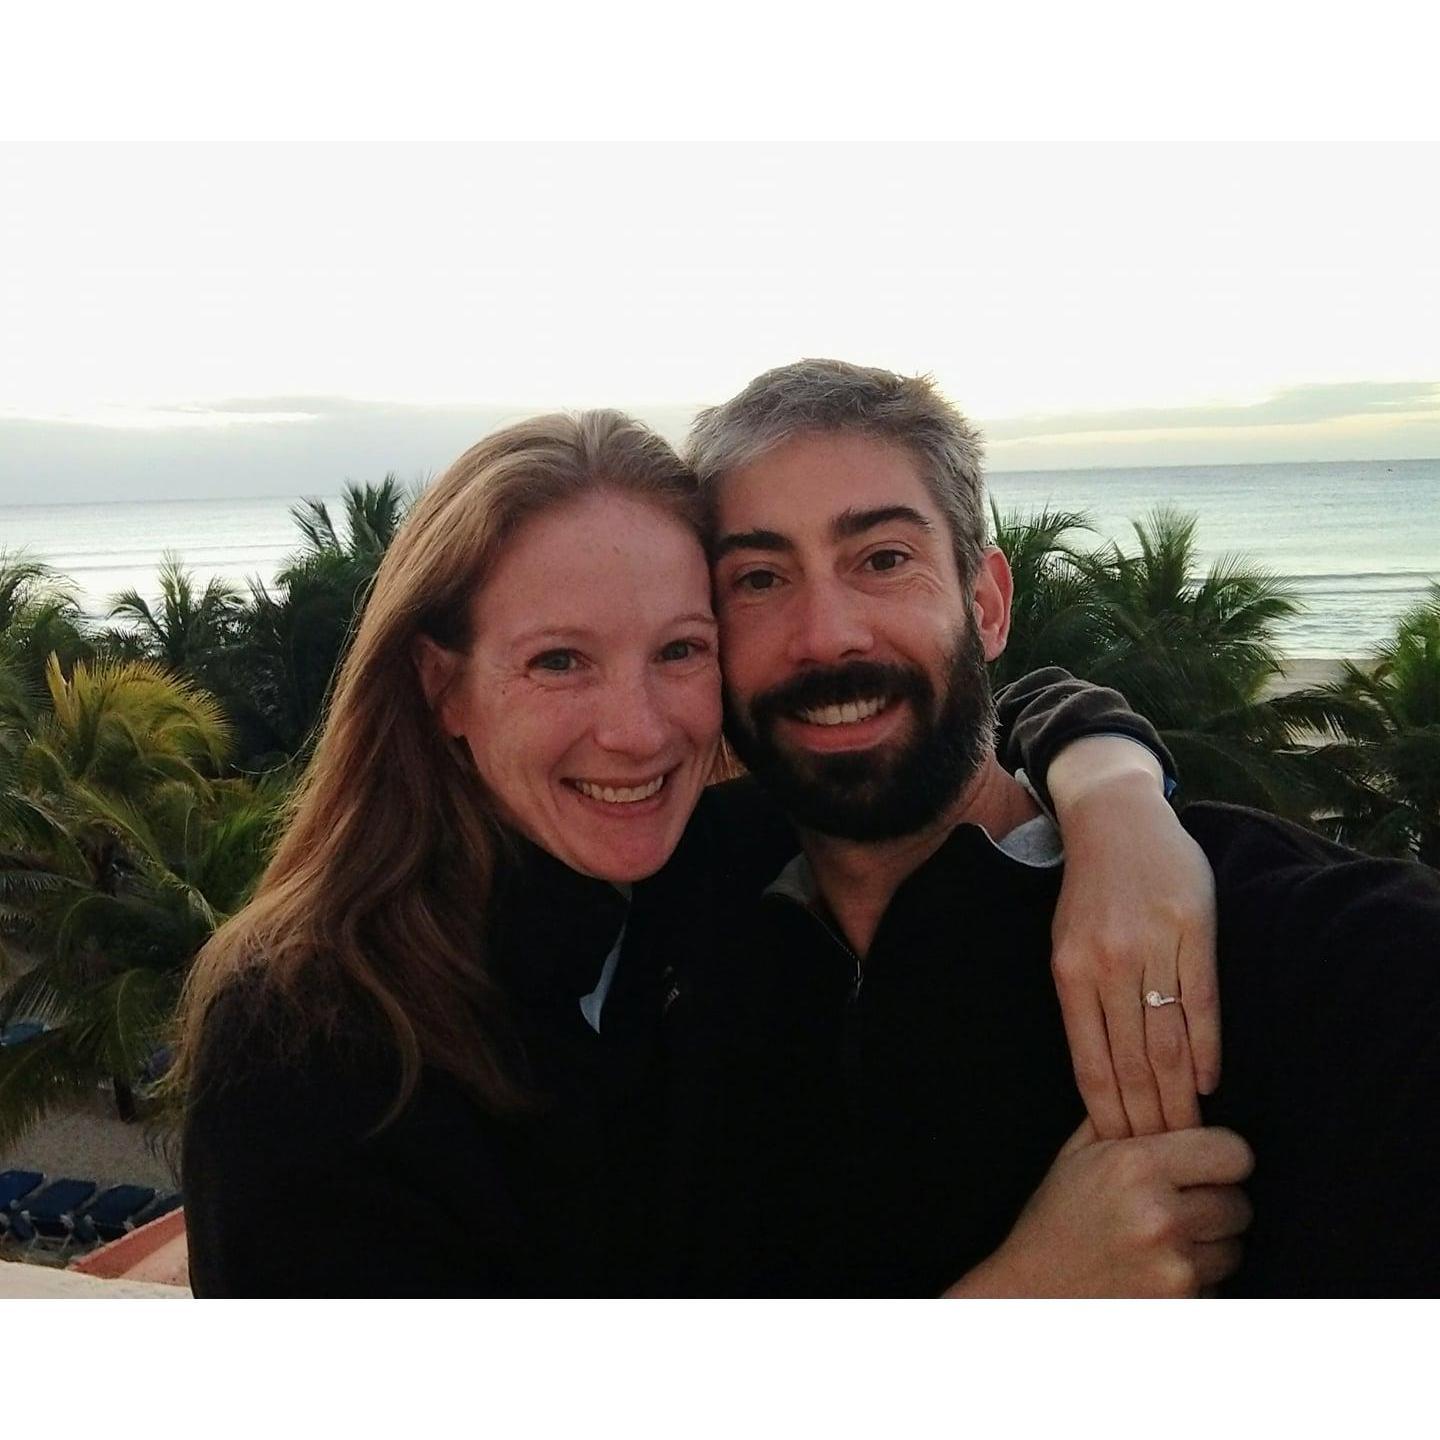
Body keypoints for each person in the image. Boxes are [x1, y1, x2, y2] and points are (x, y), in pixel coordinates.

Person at [176, 409, 1218, 1297]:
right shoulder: (310, 1034)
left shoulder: (717, 864)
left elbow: (946, 715)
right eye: (559, 661)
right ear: (442, 685)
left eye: (679, 649)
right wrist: (1019, 1302)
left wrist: (1114, 797)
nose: (637, 733)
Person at [672, 358, 1440, 1297]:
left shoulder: (1308, 949)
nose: (827, 634)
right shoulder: (672, 936)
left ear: (987, 605)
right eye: (759, 578)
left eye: (884, 559)